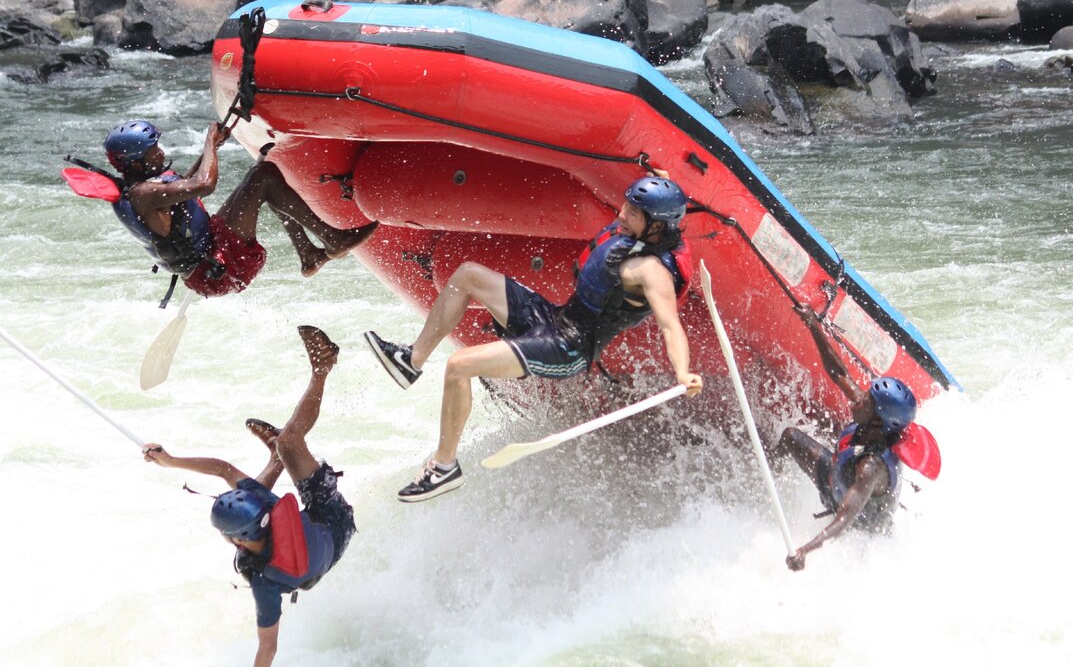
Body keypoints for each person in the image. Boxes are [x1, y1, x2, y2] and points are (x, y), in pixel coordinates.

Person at [364, 175, 705, 502]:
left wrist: (683, 373)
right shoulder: (645, 232)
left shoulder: (651, 271)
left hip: (568, 348)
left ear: (657, 226)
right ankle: (411, 361)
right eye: (627, 206)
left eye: (632, 212)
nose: (621, 214)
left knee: (459, 366)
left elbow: (669, 325)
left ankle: (443, 467)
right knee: (467, 274)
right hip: (554, 319)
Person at [143, 326, 355, 666]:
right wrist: (170, 461)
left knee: (284, 447)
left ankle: (287, 436)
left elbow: (267, 651)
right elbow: (224, 470)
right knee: (289, 444)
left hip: (323, 534)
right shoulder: (266, 517)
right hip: (335, 520)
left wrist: (170, 462)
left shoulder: (264, 576)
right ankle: (312, 388)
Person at [102, 119, 377, 297]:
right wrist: (208, 141)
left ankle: (308, 253)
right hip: (218, 268)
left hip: (210, 250)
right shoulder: (142, 194)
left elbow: (183, 186)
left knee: (262, 173)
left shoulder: (143, 187)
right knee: (263, 176)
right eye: (153, 150)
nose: (160, 152)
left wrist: (214, 148)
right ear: (135, 162)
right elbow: (204, 185)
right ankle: (333, 238)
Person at [777, 304, 926, 571]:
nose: (857, 399)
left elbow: (844, 520)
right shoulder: (872, 417)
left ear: (878, 420)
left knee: (845, 522)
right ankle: (767, 475)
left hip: (860, 526)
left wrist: (805, 550)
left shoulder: (871, 467)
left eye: (866, 401)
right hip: (836, 478)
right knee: (790, 437)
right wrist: (813, 324)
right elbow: (839, 373)